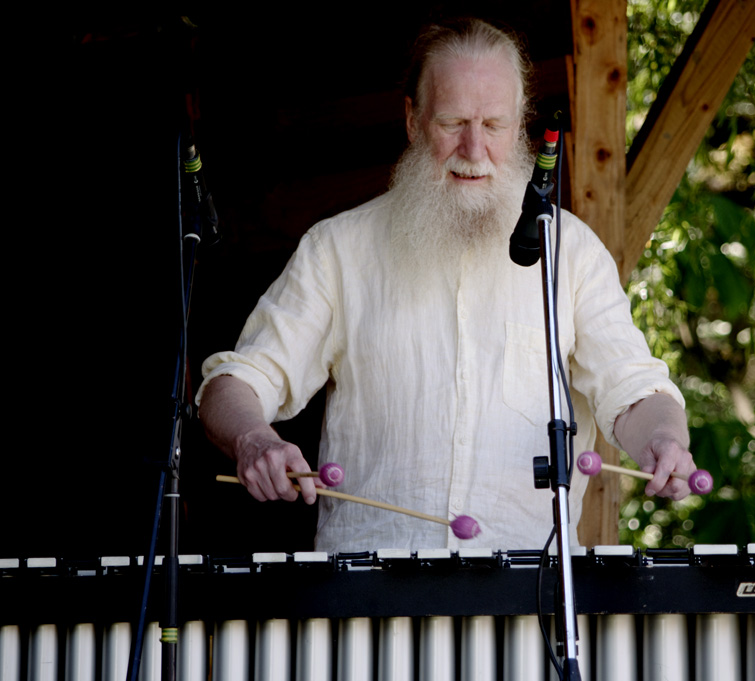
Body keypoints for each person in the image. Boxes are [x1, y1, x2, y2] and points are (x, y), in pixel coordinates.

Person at [197, 18, 695, 552]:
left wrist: (665, 440)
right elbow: (236, 384)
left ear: (520, 125)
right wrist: (253, 439)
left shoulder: (570, 251)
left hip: (529, 598)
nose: (474, 148)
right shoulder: (337, 250)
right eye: (453, 121)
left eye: (494, 125)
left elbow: (635, 390)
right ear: (413, 120)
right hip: (371, 597)